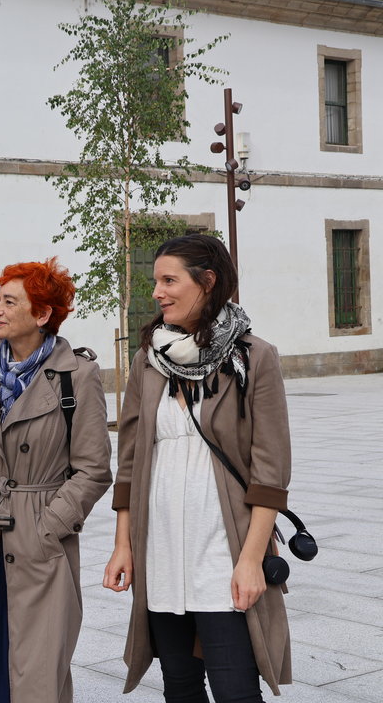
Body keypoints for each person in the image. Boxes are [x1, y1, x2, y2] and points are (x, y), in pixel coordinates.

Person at [103, 234, 293, 701]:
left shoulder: (253, 356)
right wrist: (123, 545)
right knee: (181, 685)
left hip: (222, 549)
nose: (157, 292)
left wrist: (250, 562)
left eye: (169, 280)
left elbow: (270, 473)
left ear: (207, 282)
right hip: (162, 550)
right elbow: (129, 462)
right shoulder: (148, 360)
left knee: (235, 687)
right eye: (155, 281)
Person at [0, 258, 112, 703]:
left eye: (9, 301)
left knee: (34, 670)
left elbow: (93, 468)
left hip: (38, 537)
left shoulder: (78, 375)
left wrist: (50, 524)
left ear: (41, 314)